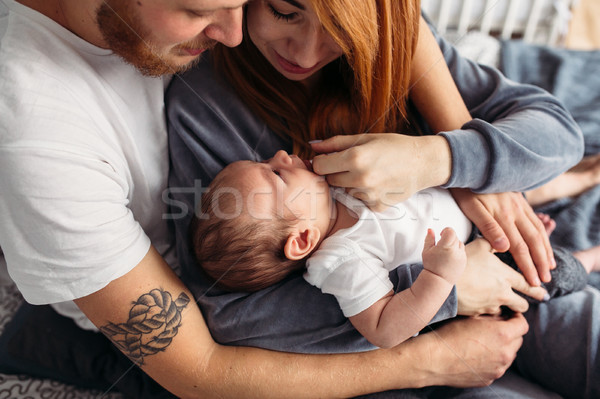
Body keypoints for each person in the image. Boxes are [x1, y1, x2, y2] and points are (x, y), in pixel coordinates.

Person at [0, 0, 547, 398]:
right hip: (225, 328)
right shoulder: (39, 140)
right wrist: (428, 356)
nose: (235, 35)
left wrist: (456, 162)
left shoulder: (196, 29)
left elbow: (387, 16)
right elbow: (203, 369)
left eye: (246, 3)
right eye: (201, 11)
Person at [166, 0, 600, 397]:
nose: (305, 54)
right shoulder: (205, 107)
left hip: (500, 267)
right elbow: (233, 314)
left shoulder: (390, 40)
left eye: (339, 29)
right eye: (284, 11)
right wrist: (448, 291)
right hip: (421, 329)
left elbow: (559, 134)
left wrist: (437, 157)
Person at [191, 151, 592, 349]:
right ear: (301, 241)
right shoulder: (340, 261)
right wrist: (438, 277)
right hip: (474, 254)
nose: (281, 155)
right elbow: (385, 328)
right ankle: (590, 259)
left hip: (472, 206)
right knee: (551, 272)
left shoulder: (336, 187)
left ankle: (576, 179)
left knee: (516, 191)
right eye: (277, 173)